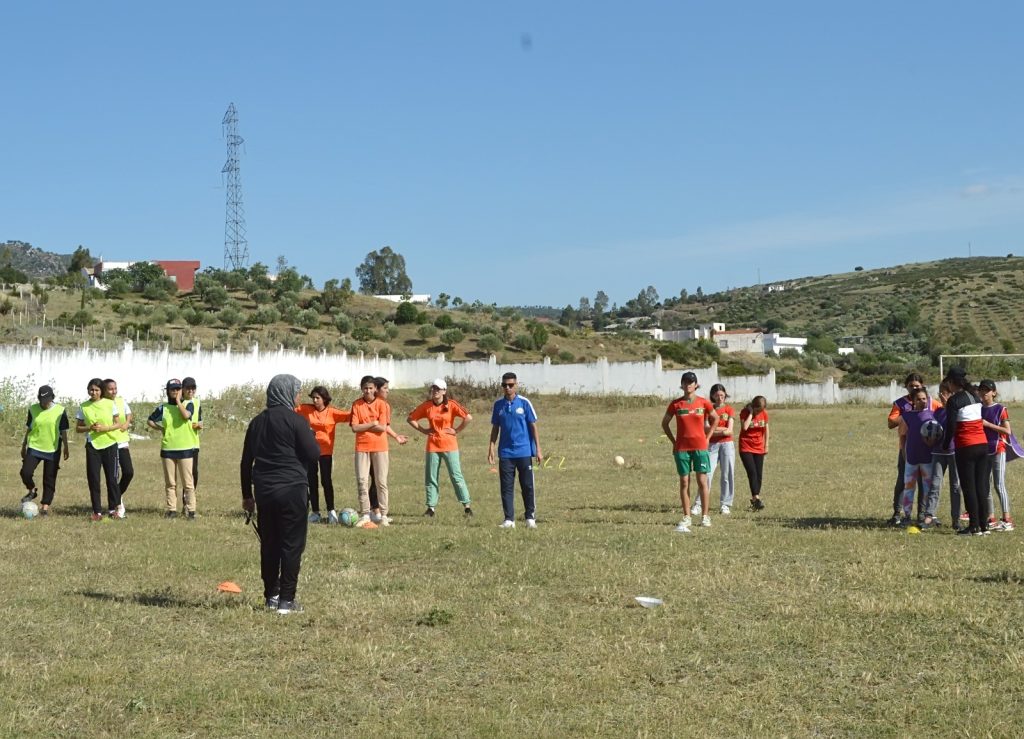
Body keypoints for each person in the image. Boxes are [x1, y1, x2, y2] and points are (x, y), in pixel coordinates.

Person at [241, 374, 321, 615]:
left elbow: (246, 462)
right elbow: (314, 454)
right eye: (296, 392)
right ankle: (287, 600)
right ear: (286, 393)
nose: (298, 397)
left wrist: (247, 495)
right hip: (292, 490)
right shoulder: (297, 421)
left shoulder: (257, 422)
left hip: (264, 492)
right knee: (291, 545)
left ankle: (271, 596)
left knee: (270, 544)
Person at [407, 378, 474, 518]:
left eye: (438, 389)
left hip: (450, 445)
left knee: (456, 475)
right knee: (431, 477)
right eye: (433, 388)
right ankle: (431, 508)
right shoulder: (427, 406)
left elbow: (468, 417)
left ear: (444, 391)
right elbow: (411, 419)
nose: (435, 391)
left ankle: (467, 506)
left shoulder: (452, 405)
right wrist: (424, 430)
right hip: (432, 445)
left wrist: (456, 430)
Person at [661, 371, 717, 532]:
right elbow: (664, 423)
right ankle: (687, 516)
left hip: (700, 447)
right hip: (682, 448)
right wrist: (674, 441)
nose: (688, 385)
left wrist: (708, 437)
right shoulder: (676, 404)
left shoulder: (704, 403)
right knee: (684, 482)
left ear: (696, 385)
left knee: (702, 482)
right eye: (685, 382)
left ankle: (705, 516)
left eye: (691, 382)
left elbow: (716, 419)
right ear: (682, 385)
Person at [350, 375, 407, 527]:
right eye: (365, 388)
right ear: (361, 389)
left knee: (381, 482)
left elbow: (383, 427)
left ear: (375, 389)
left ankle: (383, 515)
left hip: (380, 447)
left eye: (370, 388)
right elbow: (355, 427)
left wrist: (366, 425)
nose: (368, 391)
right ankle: (365, 514)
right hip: (362, 447)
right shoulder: (356, 404)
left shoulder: (382, 404)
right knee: (362, 481)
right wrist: (373, 423)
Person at [940, 366, 991, 535]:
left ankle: (973, 526)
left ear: (952, 382)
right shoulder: (976, 396)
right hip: (983, 445)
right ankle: (984, 526)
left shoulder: (954, 401)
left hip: (966, 447)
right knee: (981, 487)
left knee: (969, 487)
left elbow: (951, 426)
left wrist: (946, 444)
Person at [488, 372, 542, 529]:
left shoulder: (524, 403)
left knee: (527, 485)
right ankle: (509, 520)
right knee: (506, 487)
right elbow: (495, 428)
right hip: (505, 453)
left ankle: (530, 517)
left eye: (510, 385)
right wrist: (491, 447)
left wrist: (538, 449)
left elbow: (533, 426)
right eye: (504, 385)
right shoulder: (498, 405)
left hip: (524, 452)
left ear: (516, 385)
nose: (507, 388)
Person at [295, 385, 351, 524]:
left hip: (326, 452)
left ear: (324, 398)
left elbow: (350, 415)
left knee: (326, 481)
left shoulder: (332, 412)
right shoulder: (306, 409)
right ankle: (315, 512)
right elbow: (289, 409)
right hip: (310, 450)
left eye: (317, 398)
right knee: (311, 481)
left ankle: (331, 511)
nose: (315, 400)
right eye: (313, 397)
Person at [147, 378, 197, 519]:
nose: (175, 392)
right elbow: (150, 420)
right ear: (168, 391)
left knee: (188, 483)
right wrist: (161, 428)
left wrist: (178, 401)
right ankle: (171, 509)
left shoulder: (189, 404)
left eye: (178, 389)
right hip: (168, 448)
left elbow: (186, 415)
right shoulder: (163, 408)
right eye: (172, 389)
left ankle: (191, 510)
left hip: (185, 449)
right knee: (170, 483)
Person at [76, 377, 122, 521]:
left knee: (112, 479)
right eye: (91, 389)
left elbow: (118, 424)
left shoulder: (110, 403)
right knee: (94, 479)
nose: (93, 392)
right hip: (93, 446)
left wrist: (105, 428)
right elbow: (78, 428)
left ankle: (113, 509)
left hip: (109, 444)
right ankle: (97, 511)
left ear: (101, 391)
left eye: (96, 390)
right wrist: (89, 427)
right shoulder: (84, 406)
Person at [20, 385, 70, 515]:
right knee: (25, 472)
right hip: (34, 446)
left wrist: (66, 447)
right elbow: (29, 428)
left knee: (49, 478)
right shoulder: (33, 409)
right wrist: (23, 445)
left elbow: (63, 431)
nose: (44, 402)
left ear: (52, 397)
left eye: (47, 399)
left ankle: (45, 506)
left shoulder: (60, 410)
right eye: (42, 399)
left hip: (53, 448)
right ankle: (32, 489)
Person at [886, 373, 926, 525]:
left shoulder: (928, 401)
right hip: (906, 448)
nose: (915, 388)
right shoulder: (900, 404)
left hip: (925, 448)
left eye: (917, 385)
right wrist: (907, 416)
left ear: (922, 385)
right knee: (903, 481)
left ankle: (922, 514)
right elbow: (890, 423)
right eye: (911, 386)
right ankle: (897, 513)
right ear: (906, 387)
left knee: (923, 482)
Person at [923, 380, 962, 530]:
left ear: (952, 394)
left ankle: (956, 518)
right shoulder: (937, 412)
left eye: (945, 392)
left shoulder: (958, 412)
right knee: (934, 484)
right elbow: (932, 430)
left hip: (954, 452)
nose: (942, 395)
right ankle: (929, 515)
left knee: (955, 486)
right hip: (938, 452)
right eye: (940, 392)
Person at [694, 383, 735, 516]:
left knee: (726, 474)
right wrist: (720, 431)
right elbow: (704, 428)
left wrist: (714, 430)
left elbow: (729, 431)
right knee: (707, 474)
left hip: (727, 445)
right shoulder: (708, 409)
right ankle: (698, 504)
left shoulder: (729, 410)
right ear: (712, 396)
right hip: (711, 445)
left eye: (722, 395)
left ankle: (725, 504)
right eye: (717, 395)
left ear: (725, 395)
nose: (719, 397)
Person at [896, 387, 935, 525]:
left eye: (924, 398)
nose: (922, 401)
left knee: (927, 488)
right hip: (912, 458)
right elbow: (902, 437)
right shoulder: (906, 416)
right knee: (909, 488)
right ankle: (906, 516)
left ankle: (924, 516)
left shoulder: (932, 415)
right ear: (913, 401)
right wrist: (905, 455)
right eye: (918, 399)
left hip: (928, 458)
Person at [979, 379, 1014, 532]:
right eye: (982, 389)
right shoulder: (978, 409)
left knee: (998, 484)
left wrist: (988, 425)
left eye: (987, 390)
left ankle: (1007, 519)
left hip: (998, 448)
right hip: (983, 450)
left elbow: (1007, 431)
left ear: (993, 392)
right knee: (984, 485)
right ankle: (990, 517)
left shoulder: (1000, 409)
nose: (984, 392)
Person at [102, 378, 134, 518]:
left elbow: (128, 413)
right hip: (110, 443)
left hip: (122, 442)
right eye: (110, 389)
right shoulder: (102, 403)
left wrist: (127, 423)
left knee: (128, 472)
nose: (113, 391)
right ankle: (115, 506)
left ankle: (116, 496)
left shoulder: (120, 400)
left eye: (115, 388)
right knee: (113, 476)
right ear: (104, 390)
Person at [739, 395, 770, 511]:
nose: (759, 413)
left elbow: (766, 430)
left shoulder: (764, 414)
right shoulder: (744, 412)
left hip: (759, 447)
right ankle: (756, 497)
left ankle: (755, 500)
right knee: (752, 472)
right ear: (753, 406)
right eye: (757, 410)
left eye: (761, 410)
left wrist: (766, 445)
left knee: (759, 474)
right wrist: (751, 413)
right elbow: (745, 427)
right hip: (746, 447)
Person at [181, 377, 203, 491]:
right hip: (181, 443)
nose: (191, 391)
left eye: (193, 388)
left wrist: (199, 424)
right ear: (182, 389)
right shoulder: (179, 403)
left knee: (194, 472)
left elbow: (199, 419)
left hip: (194, 442)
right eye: (188, 388)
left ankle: (189, 499)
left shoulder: (197, 402)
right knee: (185, 473)